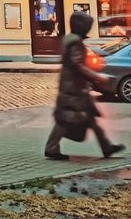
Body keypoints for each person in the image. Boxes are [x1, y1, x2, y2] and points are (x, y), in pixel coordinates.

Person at [45, 11, 126, 160]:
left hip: (74, 87)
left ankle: (106, 147)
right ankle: (51, 148)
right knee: (65, 119)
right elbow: (78, 65)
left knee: (88, 118)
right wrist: (98, 77)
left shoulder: (69, 39)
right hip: (73, 89)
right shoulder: (75, 41)